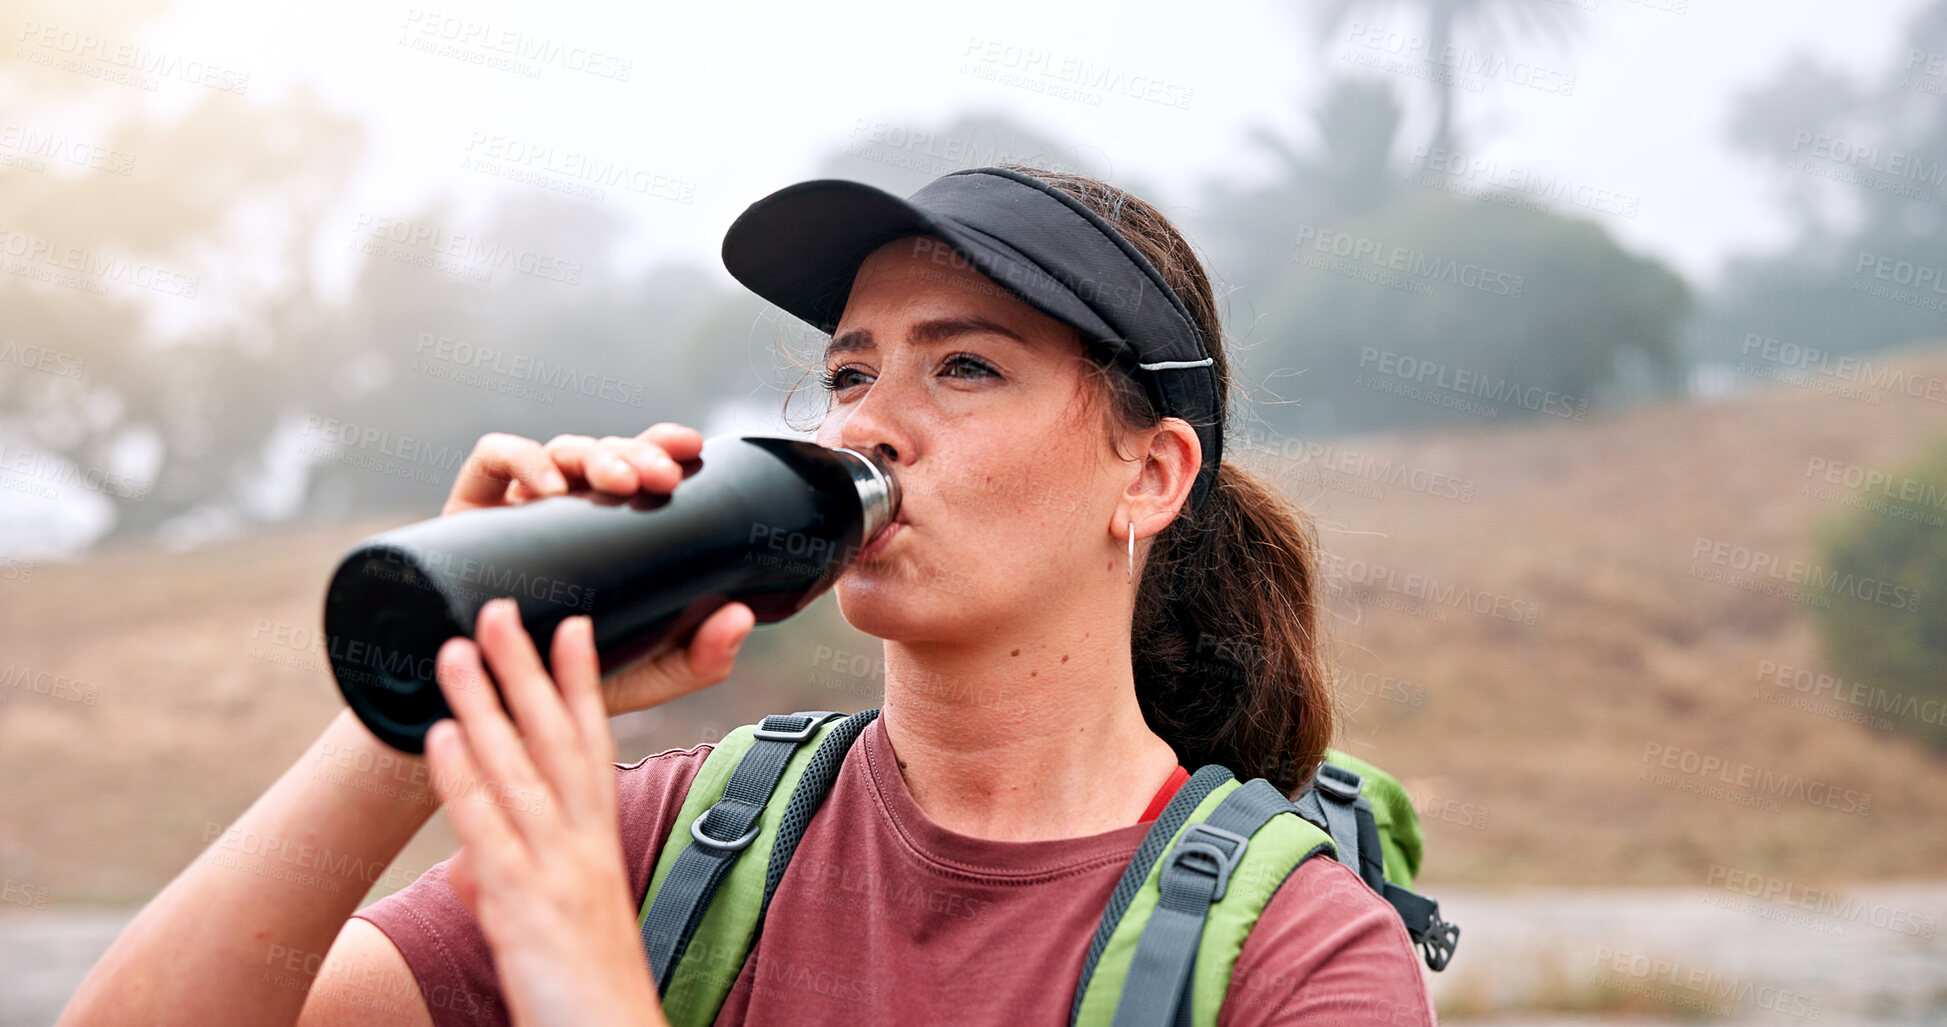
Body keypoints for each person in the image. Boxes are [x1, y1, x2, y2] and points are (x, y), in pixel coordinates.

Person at [59, 164, 1436, 1026]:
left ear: (1151, 476)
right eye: (849, 373)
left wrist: (592, 990)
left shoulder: (1296, 961)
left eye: (965, 368)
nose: (868, 428)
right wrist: (434, 683)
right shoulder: (697, 842)